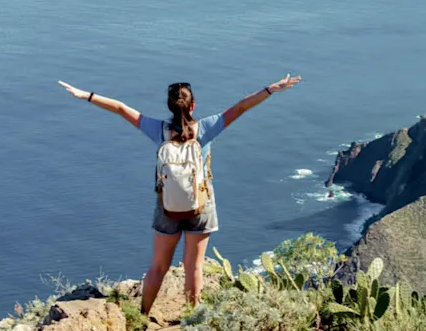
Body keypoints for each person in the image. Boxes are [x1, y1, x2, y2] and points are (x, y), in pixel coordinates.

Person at [57, 75, 302, 315]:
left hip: (167, 207)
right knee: (193, 267)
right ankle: (192, 321)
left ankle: (142, 317)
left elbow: (121, 108)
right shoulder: (206, 128)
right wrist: (271, 89)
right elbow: (240, 107)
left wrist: (86, 95)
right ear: (193, 105)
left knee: (158, 267)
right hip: (201, 206)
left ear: (169, 106)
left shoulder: (159, 130)